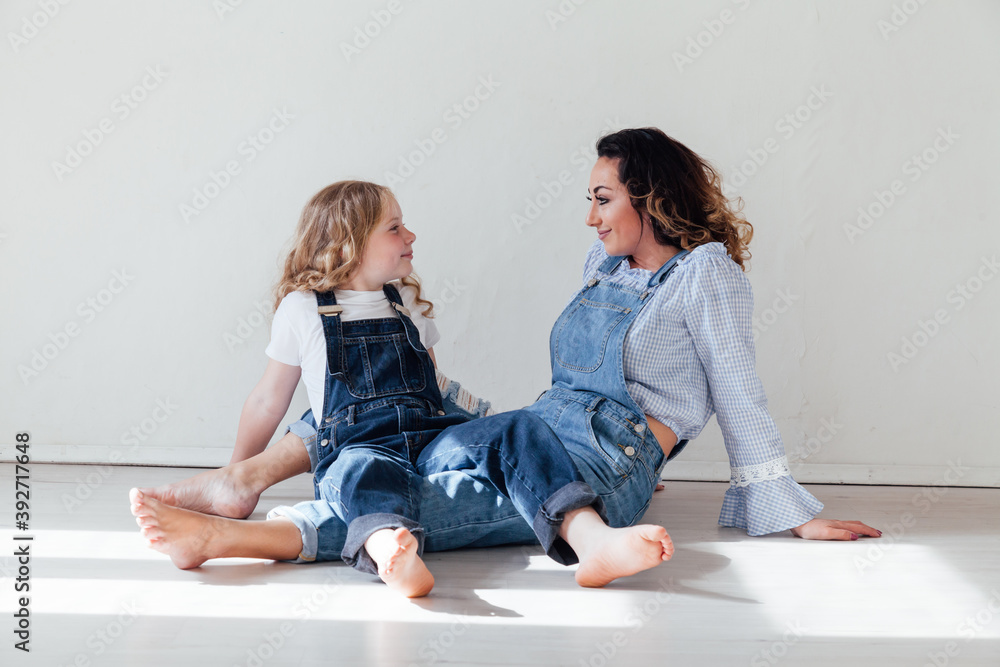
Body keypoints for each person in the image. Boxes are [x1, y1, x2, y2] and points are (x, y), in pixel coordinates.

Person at [132, 128, 879, 576]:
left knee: (403, 506)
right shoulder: (607, 266)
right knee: (373, 429)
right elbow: (580, 382)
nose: (589, 216)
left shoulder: (705, 272)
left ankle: (230, 535)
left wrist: (781, 508)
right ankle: (241, 477)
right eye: (590, 197)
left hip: (604, 461)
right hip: (544, 431)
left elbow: (736, 389)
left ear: (649, 199)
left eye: (603, 198)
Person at [130, 180, 674, 597]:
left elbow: (433, 385)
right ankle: (391, 549)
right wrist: (237, 469)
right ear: (348, 243)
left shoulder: (404, 301)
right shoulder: (303, 310)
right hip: (359, 444)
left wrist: (484, 431)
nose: (410, 236)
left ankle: (589, 539)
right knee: (356, 471)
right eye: (394, 228)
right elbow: (269, 399)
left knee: (519, 426)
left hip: (432, 438)